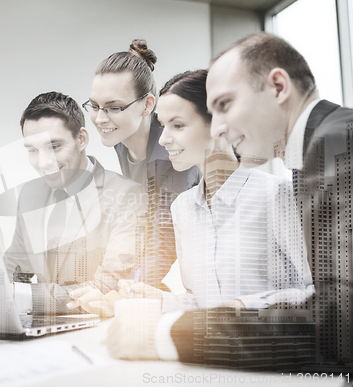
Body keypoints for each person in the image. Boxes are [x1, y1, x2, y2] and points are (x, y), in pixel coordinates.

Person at [107, 69, 313, 364]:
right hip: (211, 363)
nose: (163, 139)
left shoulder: (277, 196)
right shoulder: (182, 209)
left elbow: (316, 295)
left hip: (272, 363)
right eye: (162, 126)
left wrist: (242, 306)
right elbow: (205, 303)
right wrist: (162, 300)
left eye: (177, 125)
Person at [206, 32, 352, 366]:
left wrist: (181, 333)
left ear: (278, 87)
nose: (216, 129)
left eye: (224, 104)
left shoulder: (333, 145)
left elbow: (341, 323)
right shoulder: (327, 142)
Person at [3, 91, 146, 315]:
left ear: (81, 139)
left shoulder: (127, 196)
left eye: (54, 146)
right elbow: (13, 272)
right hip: (38, 328)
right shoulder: (29, 197)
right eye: (33, 150)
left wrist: (21, 295)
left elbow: (105, 288)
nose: (44, 162)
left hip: (97, 331)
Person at [81, 39, 201, 291]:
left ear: (147, 105)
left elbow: (164, 240)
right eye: (94, 106)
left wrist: (123, 289)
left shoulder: (172, 154)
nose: (100, 119)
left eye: (113, 107)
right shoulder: (120, 139)